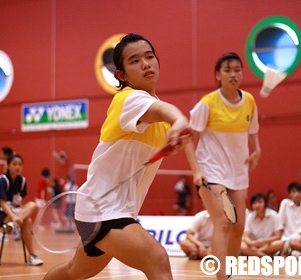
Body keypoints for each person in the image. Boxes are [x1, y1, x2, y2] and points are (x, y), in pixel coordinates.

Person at [43, 33, 191, 280]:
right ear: (121, 75)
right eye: (134, 61)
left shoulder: (153, 111)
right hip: (103, 208)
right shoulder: (128, 99)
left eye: (149, 56)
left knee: (75, 271)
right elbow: (165, 112)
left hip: (111, 209)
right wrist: (179, 119)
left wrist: (173, 138)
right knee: (158, 260)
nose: (145, 63)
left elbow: (160, 119)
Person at [185, 52, 261, 280]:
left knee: (238, 227)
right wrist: (196, 170)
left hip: (238, 172)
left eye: (237, 69)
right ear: (218, 75)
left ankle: (229, 274)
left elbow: (253, 129)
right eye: (227, 70)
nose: (233, 74)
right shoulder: (208, 103)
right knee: (223, 222)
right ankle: (221, 278)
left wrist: (257, 148)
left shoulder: (249, 101)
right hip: (211, 172)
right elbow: (187, 136)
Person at [0, 154, 44, 266]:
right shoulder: (2, 181)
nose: (17, 167)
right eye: (14, 164)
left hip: (14, 213)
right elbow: (2, 203)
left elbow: (19, 200)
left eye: (20, 164)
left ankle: (13, 226)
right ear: (8, 165)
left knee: (32, 205)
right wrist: (14, 216)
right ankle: (32, 255)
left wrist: (18, 215)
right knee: (27, 222)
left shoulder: (22, 181)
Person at [240, 193, 283, 257]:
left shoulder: (274, 215)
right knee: (240, 245)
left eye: (260, 202)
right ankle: (265, 256)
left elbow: (278, 236)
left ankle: (255, 254)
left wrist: (264, 241)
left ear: (265, 204)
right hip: (253, 245)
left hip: (268, 245)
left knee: (280, 243)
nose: (257, 205)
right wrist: (251, 243)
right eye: (254, 203)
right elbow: (245, 235)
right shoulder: (250, 216)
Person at [278, 181, 301, 255]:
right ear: (289, 194)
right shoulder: (285, 203)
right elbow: (280, 222)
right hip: (288, 238)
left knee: (296, 253)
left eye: (299, 192)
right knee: (295, 252)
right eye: (294, 192)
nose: (297, 194)